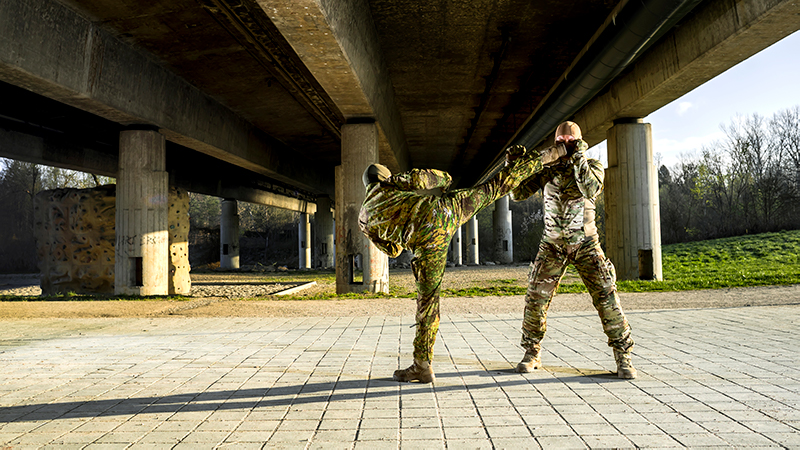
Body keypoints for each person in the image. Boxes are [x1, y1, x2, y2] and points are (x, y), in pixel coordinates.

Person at [359, 144, 565, 383]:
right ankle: (548, 156)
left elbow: (392, 250)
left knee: (427, 303)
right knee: (494, 186)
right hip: (445, 211)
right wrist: (444, 181)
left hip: (425, 244)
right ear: (384, 177)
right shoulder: (391, 184)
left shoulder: (364, 217)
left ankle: (422, 366)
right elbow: (420, 177)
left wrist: (407, 231)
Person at [511, 121, 637, 379]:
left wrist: (577, 157)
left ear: (579, 142)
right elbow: (517, 194)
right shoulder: (548, 170)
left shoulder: (592, 166)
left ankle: (623, 356)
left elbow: (590, 188)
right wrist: (514, 167)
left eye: (570, 141)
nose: (564, 146)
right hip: (552, 245)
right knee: (536, 298)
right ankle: (531, 353)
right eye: (560, 141)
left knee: (607, 297)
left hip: (586, 244)